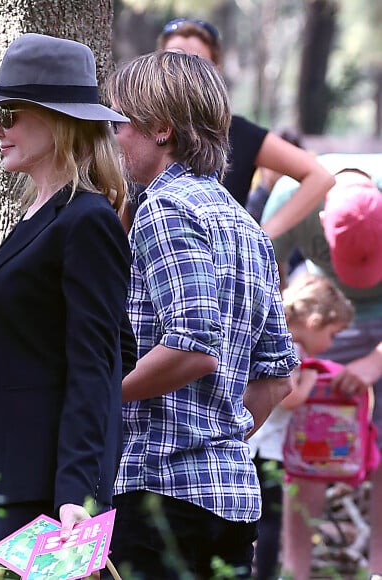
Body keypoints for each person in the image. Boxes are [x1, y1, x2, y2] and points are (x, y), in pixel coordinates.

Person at [104, 49, 298, 579]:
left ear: (161, 128)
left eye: (119, 123)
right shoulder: (247, 224)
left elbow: (192, 347)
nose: (110, 138)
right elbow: (277, 377)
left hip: (159, 497)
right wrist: (219, 438)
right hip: (230, 497)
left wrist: (99, 395)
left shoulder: (164, 210)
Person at [0, 33, 134, 566]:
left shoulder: (89, 220)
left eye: (8, 113)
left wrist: (75, 492)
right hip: (9, 477)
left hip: (49, 492)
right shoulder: (42, 213)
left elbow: (96, 363)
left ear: (57, 119)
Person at [261, 167, 382, 579]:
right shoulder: (293, 198)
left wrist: (375, 361)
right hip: (325, 318)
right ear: (323, 215)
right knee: (311, 443)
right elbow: (263, 284)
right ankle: (298, 570)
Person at [156, 17, 335, 240]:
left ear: (216, 71)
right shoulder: (138, 128)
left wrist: (260, 236)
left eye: (196, 62)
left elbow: (320, 177)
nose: (183, 72)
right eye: (173, 60)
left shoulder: (238, 131)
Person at [248, 273, 354, 580]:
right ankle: (265, 574)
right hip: (264, 448)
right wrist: (308, 381)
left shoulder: (275, 337)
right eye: (333, 334)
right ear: (315, 320)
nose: (331, 343)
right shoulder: (292, 349)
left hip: (259, 443)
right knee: (271, 519)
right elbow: (289, 395)